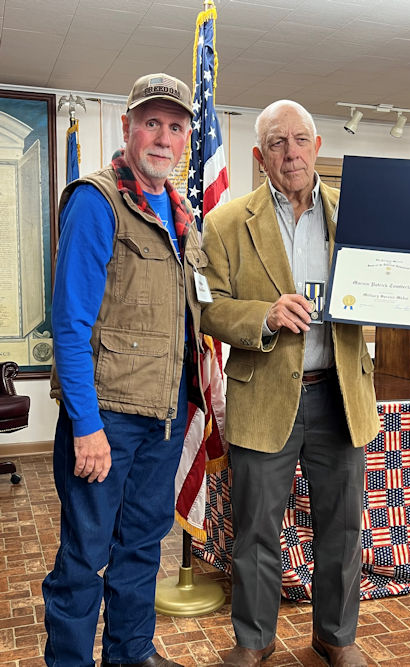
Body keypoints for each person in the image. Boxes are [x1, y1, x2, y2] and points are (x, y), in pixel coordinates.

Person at [200, 99, 410, 667]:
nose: (290, 153)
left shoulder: (360, 213)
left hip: (338, 394)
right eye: (276, 143)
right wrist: (262, 316)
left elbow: (400, 279)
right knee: (256, 532)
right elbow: (209, 310)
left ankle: (335, 638)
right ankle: (254, 640)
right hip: (264, 395)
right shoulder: (224, 223)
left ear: (318, 148)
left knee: (342, 531)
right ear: (259, 156)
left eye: (300, 140)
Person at [42, 73, 207, 667]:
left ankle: (131, 655)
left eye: (176, 126)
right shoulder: (97, 200)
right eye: (152, 123)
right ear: (128, 129)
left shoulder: (182, 215)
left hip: (164, 418)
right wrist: (85, 426)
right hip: (106, 421)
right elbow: (70, 326)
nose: (163, 137)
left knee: (141, 551)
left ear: (188, 137)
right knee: (84, 559)